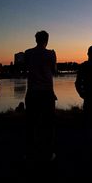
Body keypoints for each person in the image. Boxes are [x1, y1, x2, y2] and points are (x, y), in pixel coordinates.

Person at [24, 30, 57, 161]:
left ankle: (30, 153)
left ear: (36, 39)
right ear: (47, 40)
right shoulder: (51, 54)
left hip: (32, 92)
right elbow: (54, 71)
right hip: (47, 93)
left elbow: (26, 66)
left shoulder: (28, 53)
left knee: (31, 123)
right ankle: (48, 153)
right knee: (49, 124)